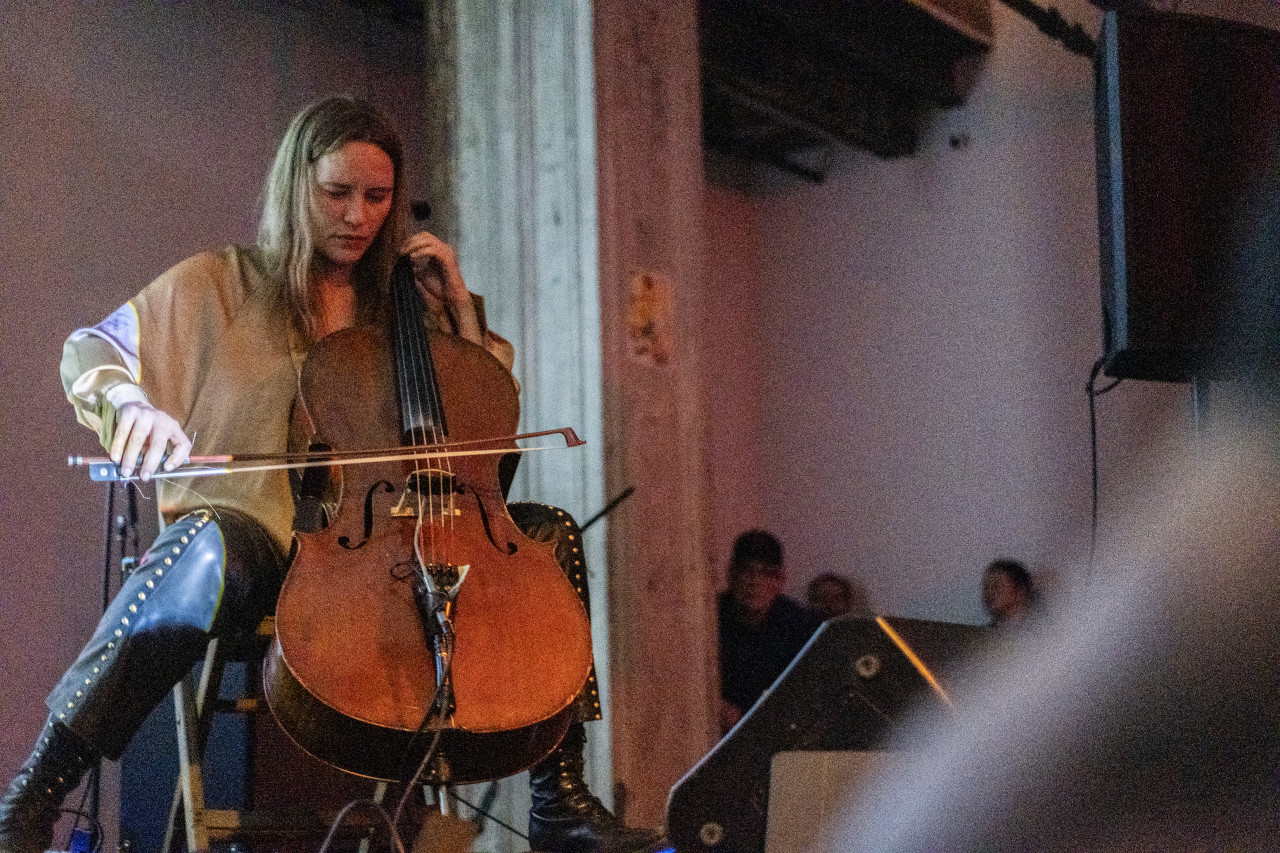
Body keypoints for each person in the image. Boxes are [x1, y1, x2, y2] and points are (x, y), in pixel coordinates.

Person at [0, 95, 661, 853]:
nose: (357, 216)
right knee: (206, 544)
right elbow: (93, 348)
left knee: (550, 534)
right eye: (336, 192)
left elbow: (482, 434)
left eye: (377, 197)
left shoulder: (406, 306)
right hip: (261, 550)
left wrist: (458, 308)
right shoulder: (219, 284)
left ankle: (560, 800)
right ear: (296, 185)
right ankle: (35, 792)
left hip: (392, 562)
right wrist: (129, 406)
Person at [717, 530, 822, 734]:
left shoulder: (799, 626)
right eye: (746, 571)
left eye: (766, 573)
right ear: (731, 575)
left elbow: (808, 695)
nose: (754, 582)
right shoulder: (710, 621)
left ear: (780, 581)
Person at [981, 558, 1036, 629]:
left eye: (996, 586)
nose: (989, 592)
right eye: (986, 587)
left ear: (1020, 590)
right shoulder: (984, 633)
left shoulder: (1044, 627)